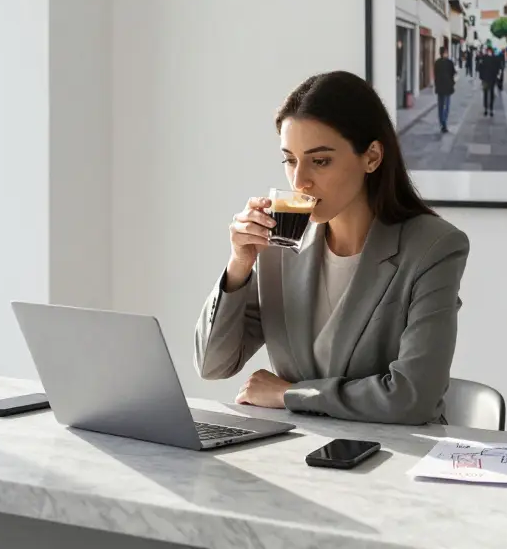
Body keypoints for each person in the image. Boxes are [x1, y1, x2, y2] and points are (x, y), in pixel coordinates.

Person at [193, 71, 470, 425]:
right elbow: (213, 365)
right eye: (290, 160)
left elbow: (411, 397)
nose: (299, 180)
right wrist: (238, 265)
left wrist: (288, 394)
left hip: (395, 461)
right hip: (297, 456)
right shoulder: (279, 244)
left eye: (320, 161)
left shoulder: (433, 247)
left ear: (371, 157)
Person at [433, 46, 455, 133]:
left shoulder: (437, 63)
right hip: (447, 87)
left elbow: (435, 75)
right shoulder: (450, 63)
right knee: (446, 106)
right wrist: (452, 83)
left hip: (439, 87)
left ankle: (442, 122)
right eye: (446, 52)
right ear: (444, 53)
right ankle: (444, 122)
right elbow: (452, 74)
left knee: (440, 106)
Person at [477, 48, 499, 117]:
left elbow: (497, 68)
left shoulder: (491, 58)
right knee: (487, 94)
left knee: (490, 94)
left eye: (490, 51)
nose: (489, 52)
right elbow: (480, 68)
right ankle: (487, 109)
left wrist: (481, 77)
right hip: (487, 79)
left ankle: (489, 109)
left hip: (490, 79)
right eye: (488, 51)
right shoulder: (486, 58)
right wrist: (481, 77)